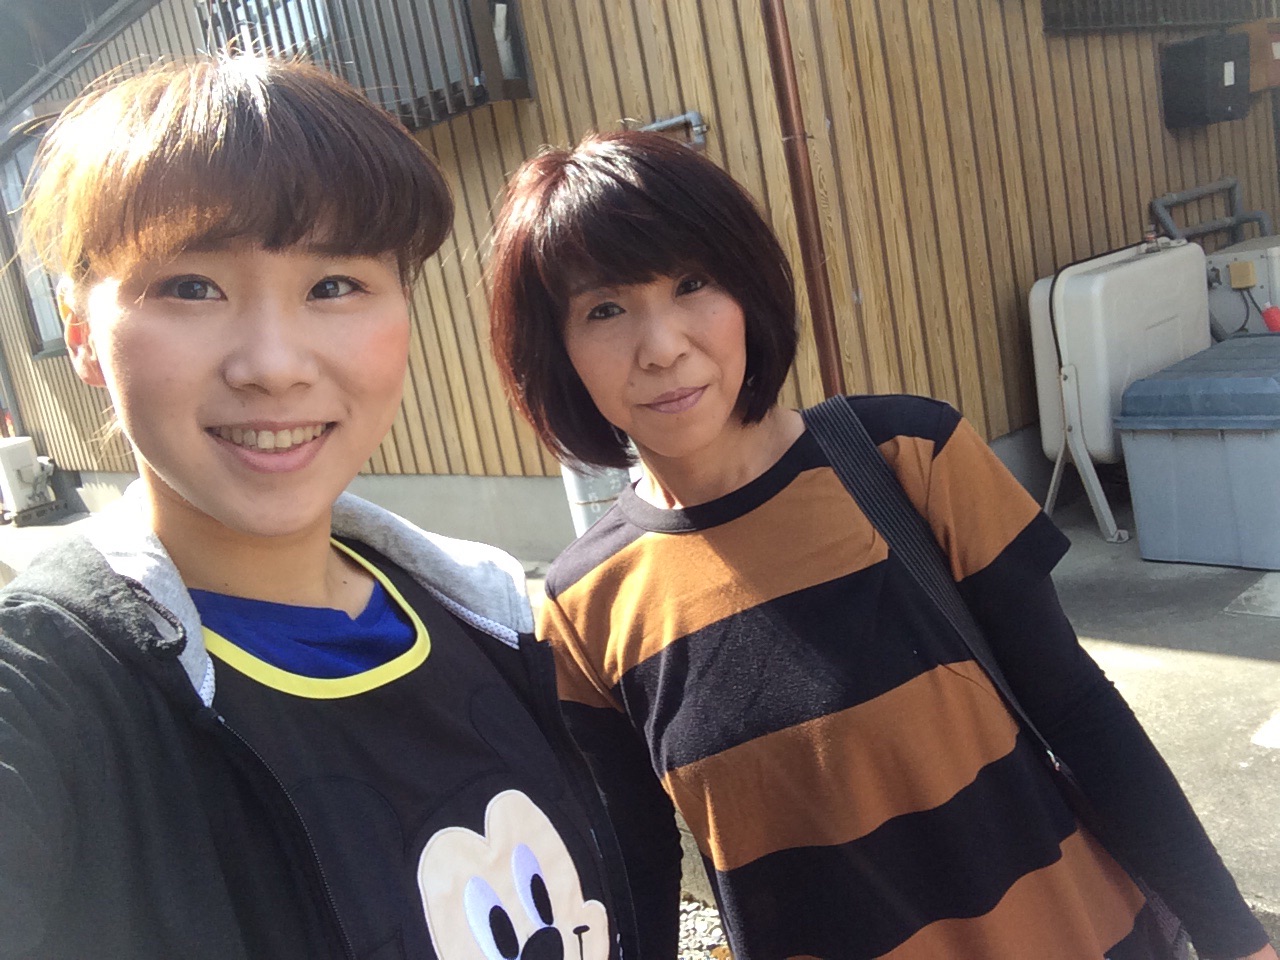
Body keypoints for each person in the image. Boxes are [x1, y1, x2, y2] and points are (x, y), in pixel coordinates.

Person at [486, 130, 1278, 960]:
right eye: (604, 310)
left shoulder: (908, 457)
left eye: (691, 283)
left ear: (748, 287)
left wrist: (1236, 937)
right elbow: (637, 862)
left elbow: (1080, 713)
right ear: (556, 350)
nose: (662, 346)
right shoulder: (585, 607)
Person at [0, 57, 639, 960]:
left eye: (334, 285)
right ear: (82, 337)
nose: (274, 364)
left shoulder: (486, 619)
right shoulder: (52, 693)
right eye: (191, 286)